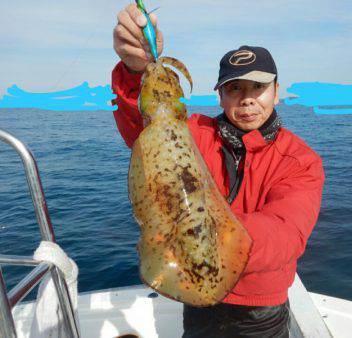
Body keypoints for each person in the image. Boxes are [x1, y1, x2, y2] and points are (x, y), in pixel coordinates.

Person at [112, 3, 325, 337]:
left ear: (277, 93)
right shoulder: (191, 131)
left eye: (258, 87)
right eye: (234, 88)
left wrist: (208, 233)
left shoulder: (299, 159)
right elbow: (143, 128)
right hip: (198, 304)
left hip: (259, 311)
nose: (247, 99)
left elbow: (285, 234)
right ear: (220, 97)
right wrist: (135, 70)